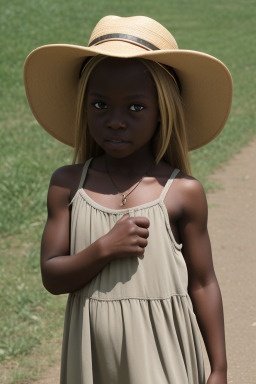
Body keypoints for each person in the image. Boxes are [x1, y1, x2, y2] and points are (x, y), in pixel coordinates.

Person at [24, 15, 232, 384]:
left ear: (162, 111)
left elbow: (203, 282)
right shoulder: (68, 185)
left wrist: (218, 368)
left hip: (163, 354)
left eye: (135, 108)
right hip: (94, 360)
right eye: (100, 106)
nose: (115, 121)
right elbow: (52, 276)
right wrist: (104, 247)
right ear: (84, 107)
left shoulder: (182, 192)